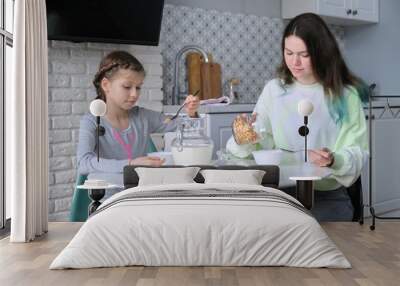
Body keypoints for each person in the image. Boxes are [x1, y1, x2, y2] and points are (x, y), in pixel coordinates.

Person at [226, 13, 369, 221]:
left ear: (321, 53)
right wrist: (244, 137)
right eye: (289, 52)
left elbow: (357, 152)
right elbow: (257, 143)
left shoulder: (345, 95)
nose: (295, 62)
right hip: (279, 197)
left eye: (304, 54)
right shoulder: (274, 90)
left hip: (327, 199)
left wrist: (333, 159)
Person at [77, 50, 200, 185]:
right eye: (127, 87)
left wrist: (191, 112)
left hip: (140, 193)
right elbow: (84, 163)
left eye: (138, 87)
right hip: (109, 199)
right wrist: (130, 164)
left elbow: (181, 125)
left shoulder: (142, 116)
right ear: (106, 85)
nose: (134, 94)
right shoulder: (90, 122)